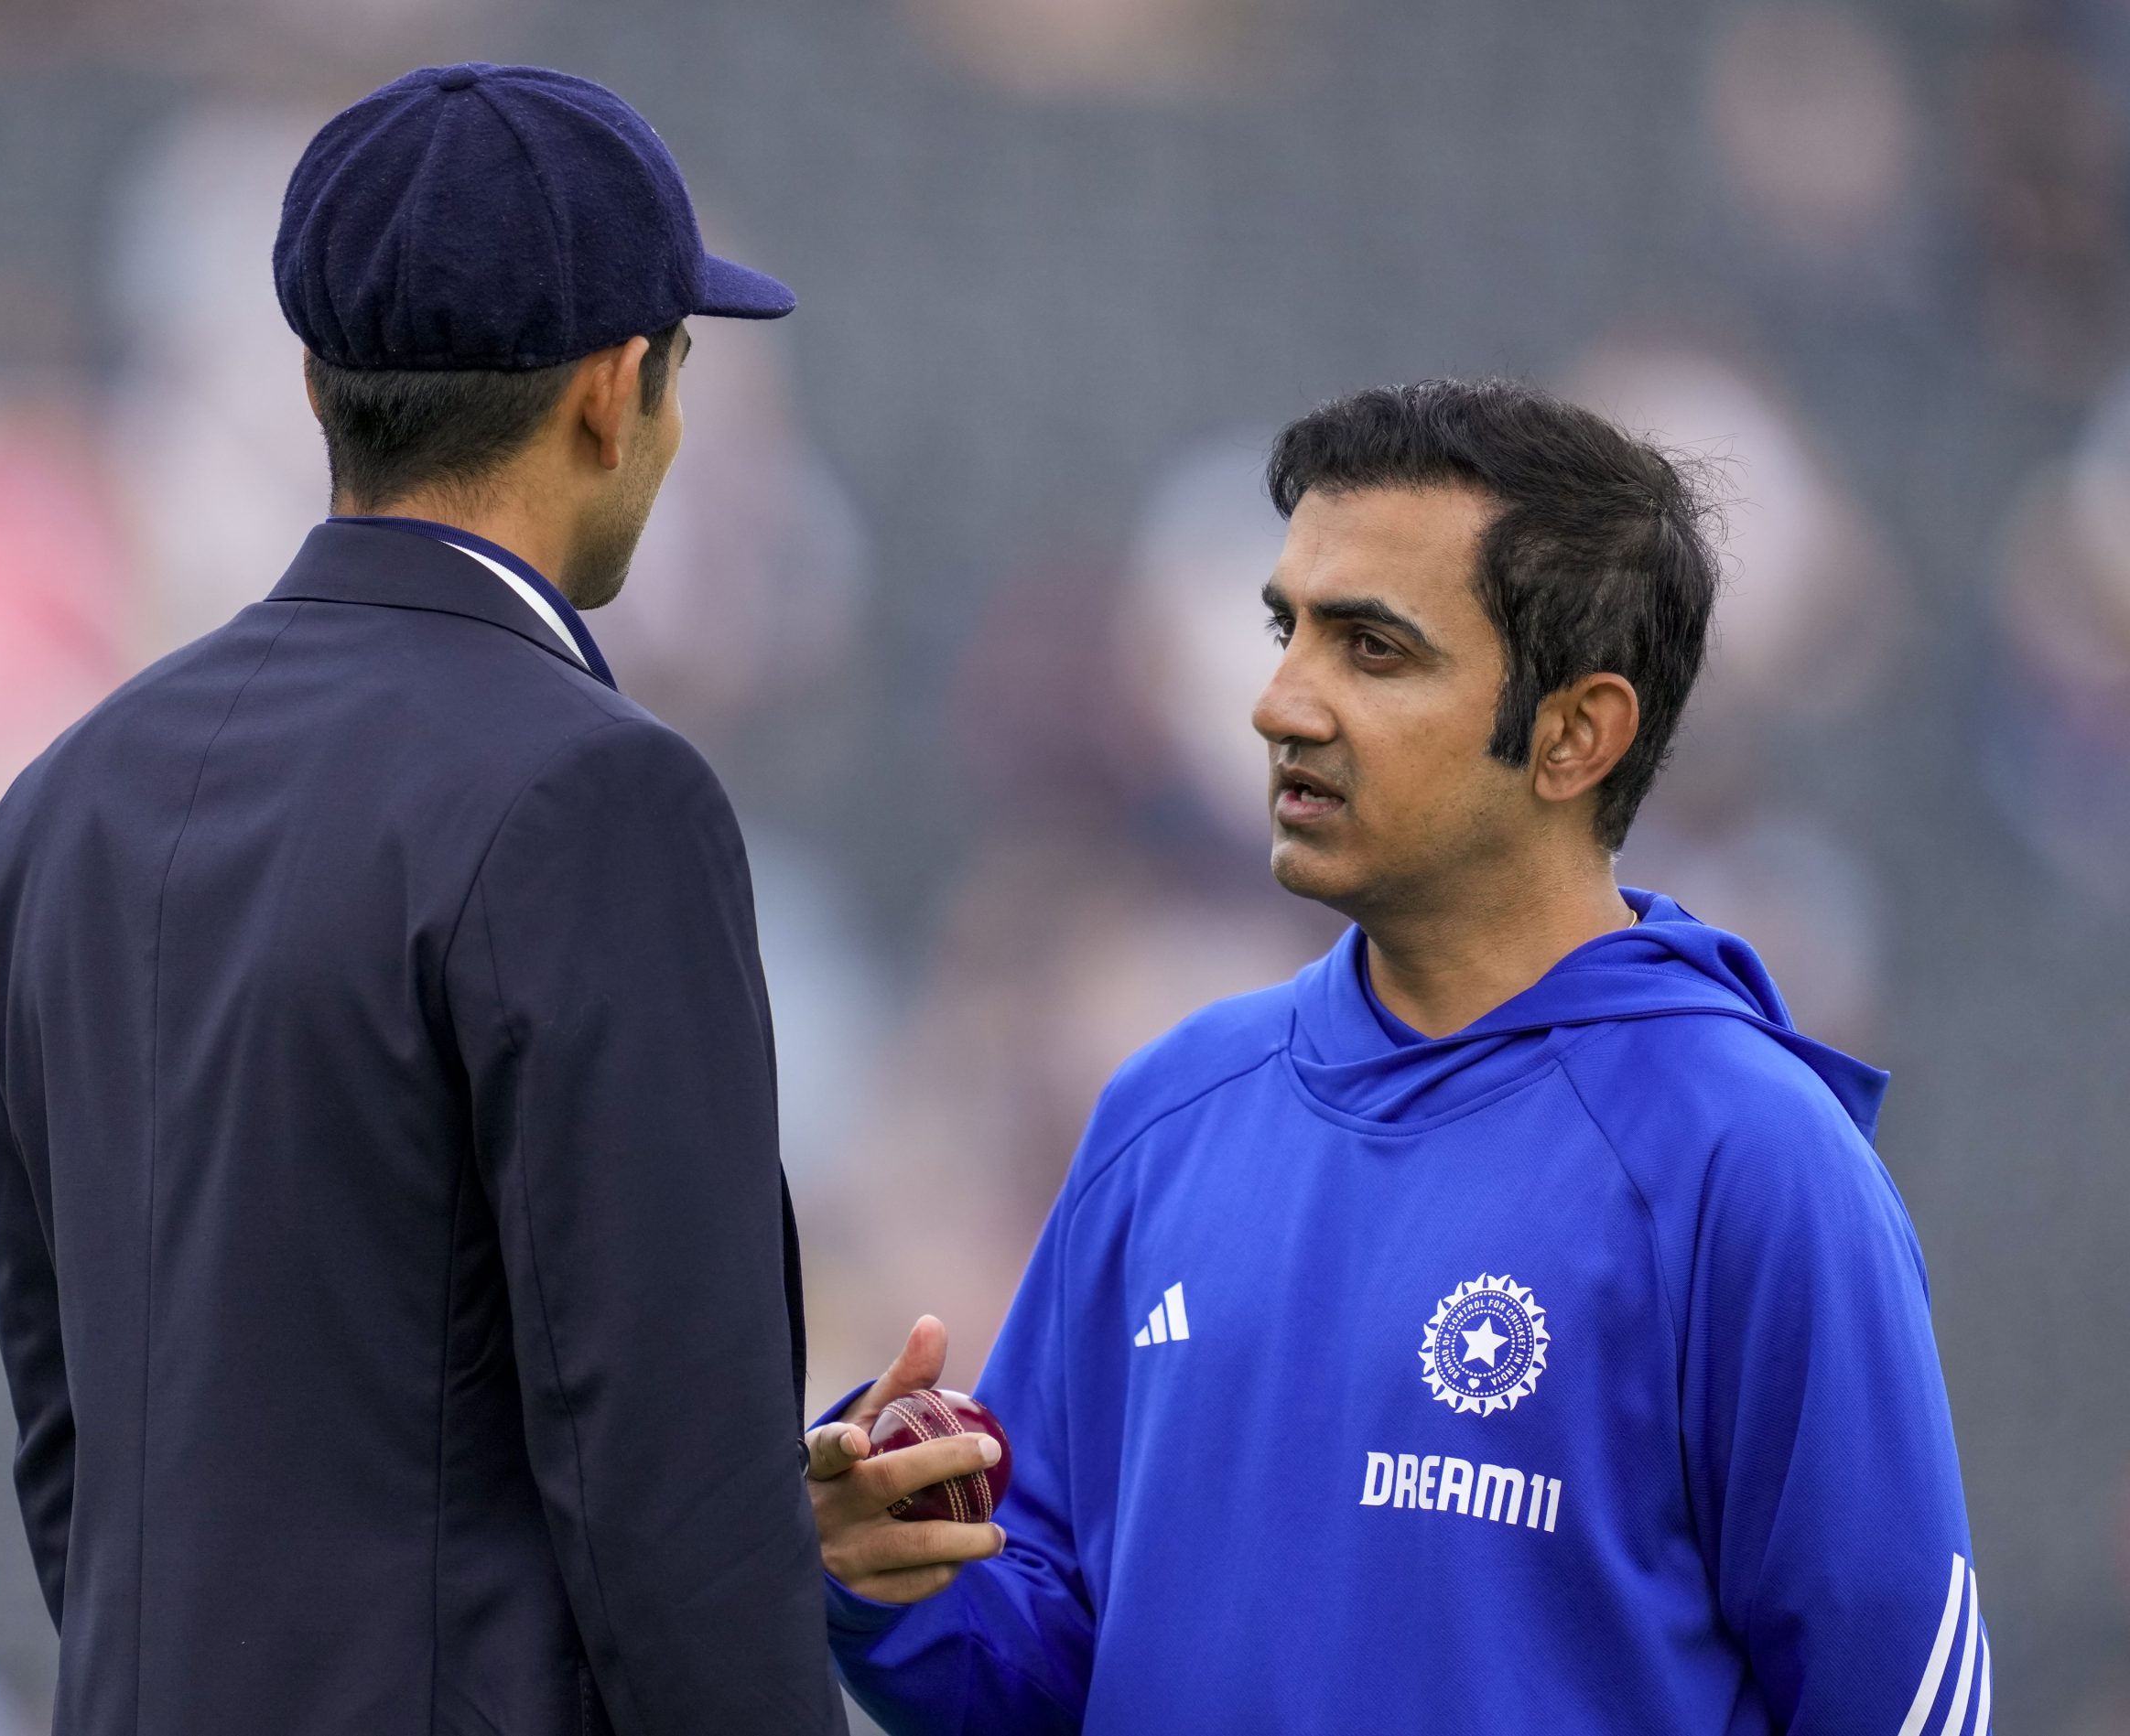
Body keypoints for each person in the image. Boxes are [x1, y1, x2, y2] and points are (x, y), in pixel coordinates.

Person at [807, 380, 1989, 1733]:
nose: (1279, 704)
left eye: (1371, 648)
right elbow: (1056, 1662)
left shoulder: (1751, 1160)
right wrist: (893, 1581)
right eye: (1287, 630)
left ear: (1576, 733)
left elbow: (1903, 1699)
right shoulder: (1167, 1110)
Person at [0, 63, 845, 1735]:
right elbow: (668, 1491)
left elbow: (81, 1462)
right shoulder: (599, 792)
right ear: (617, 391)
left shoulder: (65, 797)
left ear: (317, 383)